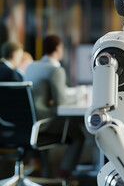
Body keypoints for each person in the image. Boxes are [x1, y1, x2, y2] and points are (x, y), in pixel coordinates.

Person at [24, 35, 84, 179]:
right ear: (58, 48)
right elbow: (61, 102)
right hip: (42, 124)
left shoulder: (31, 66)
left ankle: (37, 167)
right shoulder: (55, 70)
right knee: (77, 134)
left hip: (26, 123)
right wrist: (81, 94)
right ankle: (64, 174)